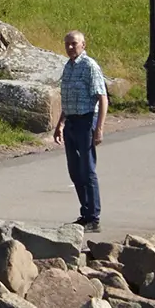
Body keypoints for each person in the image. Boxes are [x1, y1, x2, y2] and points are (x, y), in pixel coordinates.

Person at [57, 29, 107, 230]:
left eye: (74, 43)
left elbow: (102, 98)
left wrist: (99, 128)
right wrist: (60, 124)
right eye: (67, 43)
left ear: (83, 45)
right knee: (74, 170)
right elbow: (66, 98)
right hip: (71, 121)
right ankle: (84, 213)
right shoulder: (68, 67)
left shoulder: (89, 66)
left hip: (87, 121)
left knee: (87, 170)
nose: (70, 47)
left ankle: (93, 217)